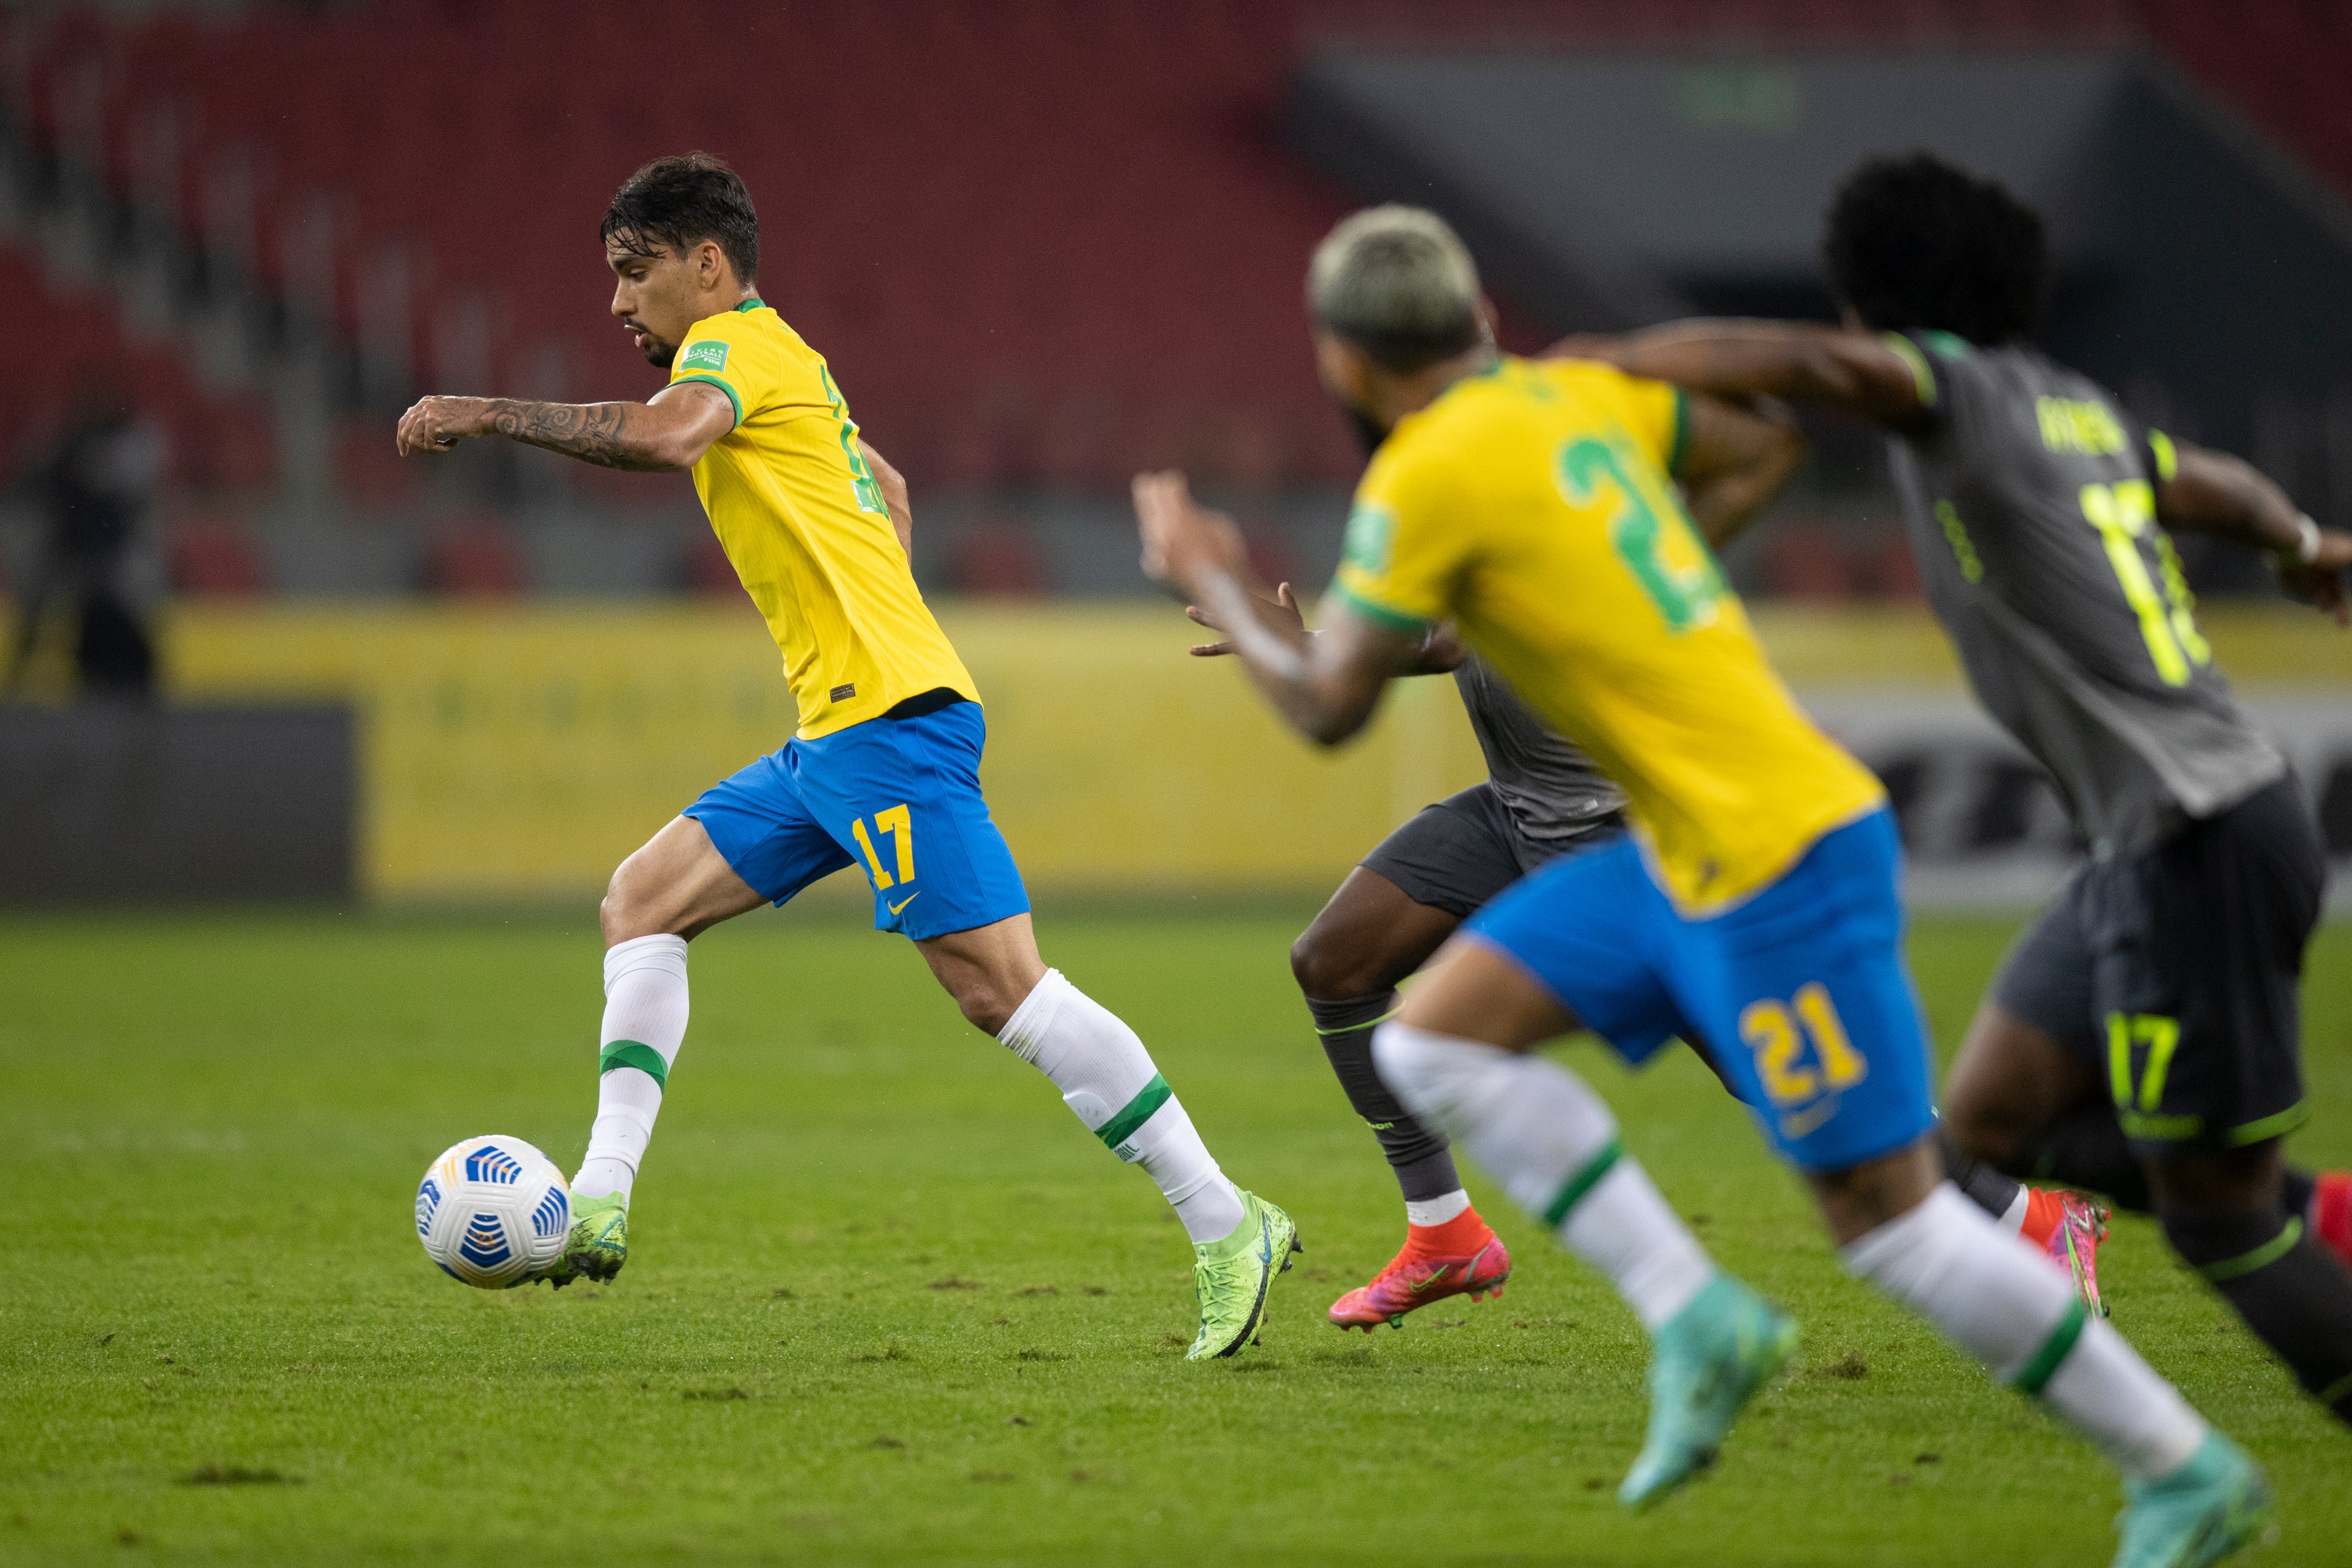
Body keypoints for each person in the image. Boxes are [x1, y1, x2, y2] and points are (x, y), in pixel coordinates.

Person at [1135, 203, 2266, 1565]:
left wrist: (1209, 571)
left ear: (1347, 364)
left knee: (1880, 1212)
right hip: (1601, 820)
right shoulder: (1572, 407)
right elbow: (1767, 442)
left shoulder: (1431, 470)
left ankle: (2138, 1396)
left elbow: (1325, 712)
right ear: (1480, 321)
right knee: (1404, 1016)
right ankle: (1591, 1279)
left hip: (1724, 836)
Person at [394, 153, 1297, 1362]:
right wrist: (874, 591)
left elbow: (670, 442)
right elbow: (884, 480)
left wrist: (485, 411)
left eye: (633, 272)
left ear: (705, 268)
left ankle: (1224, 1218)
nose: (616, 305)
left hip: (885, 724)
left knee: (999, 987)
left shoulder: (732, 352)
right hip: (838, 728)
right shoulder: (793, 360)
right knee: (642, 902)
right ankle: (602, 1191)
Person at [1572, 152, 2352, 1430]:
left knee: (2218, 1229)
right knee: (1980, 1128)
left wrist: (1581, 365)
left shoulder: (1957, 394)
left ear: (1872, 301)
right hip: (2144, 842)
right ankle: (2284, 1199)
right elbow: (2211, 482)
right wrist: (2302, 543)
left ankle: (2270, 1219)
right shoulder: (2071, 407)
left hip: (2196, 835)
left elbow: (1814, 368)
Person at [3, 373, 162, 698]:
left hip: (109, 549)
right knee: (38, 607)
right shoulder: (66, 440)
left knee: (113, 615)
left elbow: (122, 485)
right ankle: (17, 680)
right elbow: (35, 480)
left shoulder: (128, 442)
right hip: (69, 543)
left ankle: (121, 679)